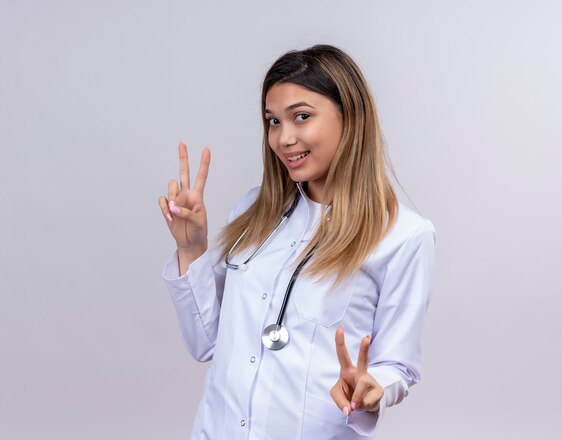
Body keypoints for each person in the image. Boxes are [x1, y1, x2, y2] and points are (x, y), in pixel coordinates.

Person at [158, 44, 436, 439]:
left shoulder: (403, 236)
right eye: (273, 121)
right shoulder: (253, 210)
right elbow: (206, 343)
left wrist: (375, 386)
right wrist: (192, 250)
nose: (283, 138)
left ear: (351, 118)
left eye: (301, 117)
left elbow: (399, 366)